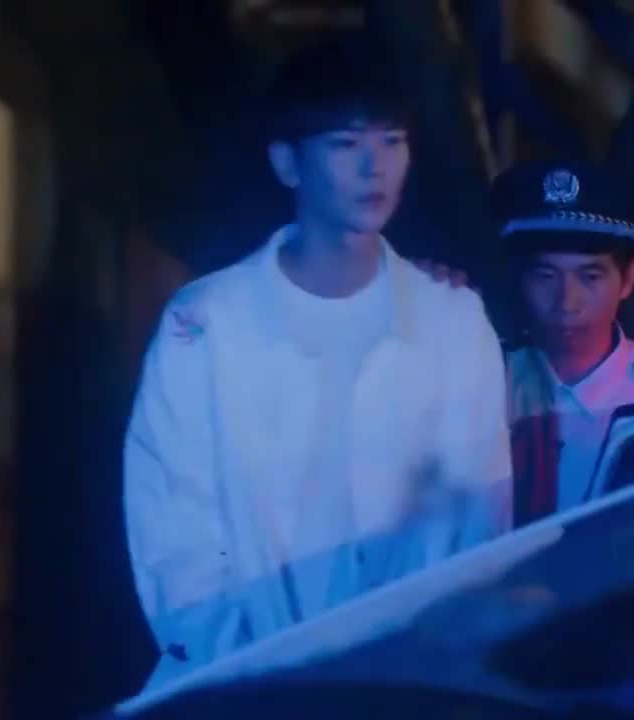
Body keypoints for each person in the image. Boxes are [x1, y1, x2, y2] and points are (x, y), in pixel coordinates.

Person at [122, 37, 512, 690]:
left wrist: (430, 658)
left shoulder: (451, 318)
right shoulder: (207, 324)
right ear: (287, 162)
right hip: (244, 682)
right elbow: (175, 527)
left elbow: (477, 518)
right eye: (345, 143)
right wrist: (243, 669)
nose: (374, 167)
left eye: (392, 141)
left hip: (412, 680)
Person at [493, 160, 634, 526]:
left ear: (628, 279)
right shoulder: (482, 381)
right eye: (546, 276)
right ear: (520, 277)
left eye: (590, 277)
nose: (567, 302)